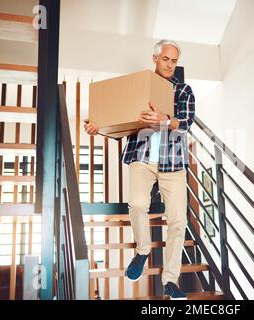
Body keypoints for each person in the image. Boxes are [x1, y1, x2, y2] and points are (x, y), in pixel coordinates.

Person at [84, 40, 195, 300]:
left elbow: (186, 122)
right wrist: (98, 127)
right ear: (155, 58)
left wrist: (165, 120)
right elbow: (119, 121)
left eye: (173, 61)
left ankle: (169, 280)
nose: (169, 64)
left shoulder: (184, 90)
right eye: (165, 58)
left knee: (178, 220)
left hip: (173, 161)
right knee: (136, 204)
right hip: (142, 156)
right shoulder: (138, 87)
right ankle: (143, 250)